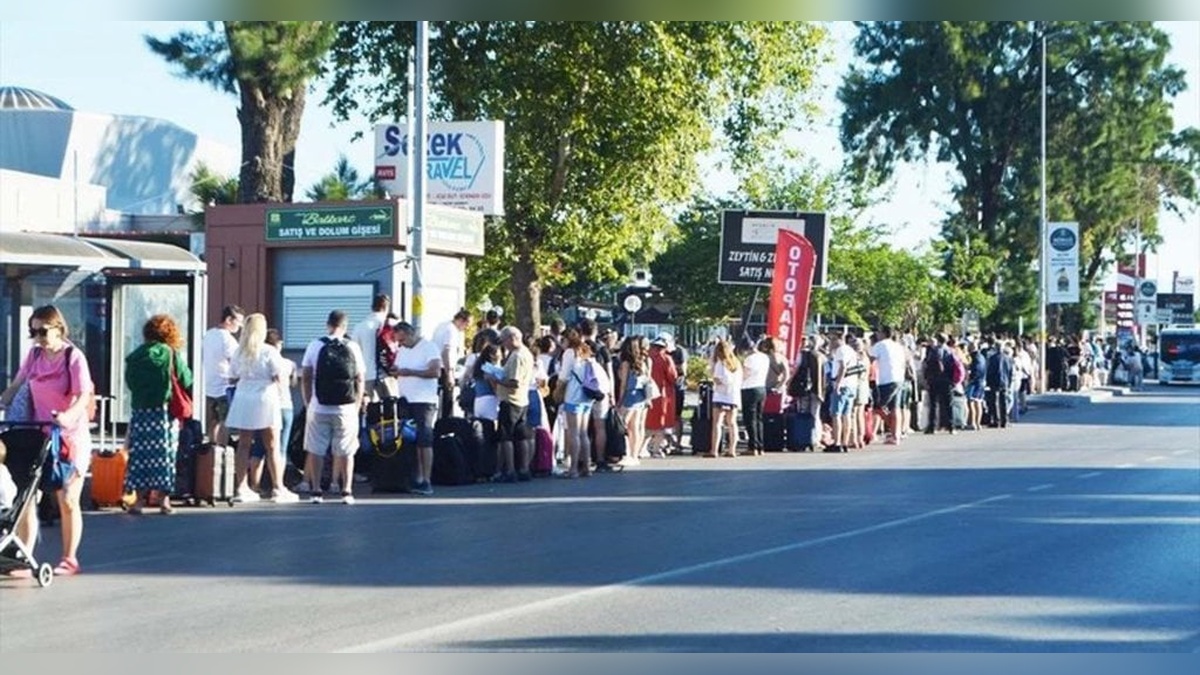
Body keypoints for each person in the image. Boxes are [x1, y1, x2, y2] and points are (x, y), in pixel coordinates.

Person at [0, 305, 94, 576]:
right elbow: (17, 384)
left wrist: (67, 416)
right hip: (39, 433)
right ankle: (24, 556)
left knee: (67, 497)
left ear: (58, 329)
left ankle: (69, 558)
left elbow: (82, 395)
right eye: (33, 332)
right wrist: (3, 400)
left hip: (69, 436)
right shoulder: (34, 355)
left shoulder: (73, 357)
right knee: (27, 496)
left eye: (43, 331)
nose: (38, 337)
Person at [124, 314, 194, 515]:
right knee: (165, 455)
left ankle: (138, 501)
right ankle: (164, 501)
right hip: (164, 412)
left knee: (140, 455)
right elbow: (186, 378)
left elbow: (130, 382)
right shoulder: (169, 353)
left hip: (140, 411)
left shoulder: (135, 356)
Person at [225, 314, 298, 504]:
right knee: (272, 445)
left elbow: (232, 377)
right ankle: (278, 487)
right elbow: (279, 375)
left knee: (244, 444)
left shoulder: (239, 352)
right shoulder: (269, 351)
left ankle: (242, 487)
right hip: (265, 396)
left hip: (243, 396)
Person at [301, 311, 366, 504]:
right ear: (345, 326)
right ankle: (346, 490)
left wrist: (308, 401)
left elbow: (306, 376)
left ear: (328, 324)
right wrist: (357, 403)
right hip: (346, 407)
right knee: (346, 449)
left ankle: (316, 490)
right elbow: (359, 378)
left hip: (319, 406)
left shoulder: (315, 345)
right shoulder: (352, 346)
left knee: (316, 449)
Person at [389, 321, 442, 495]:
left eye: (402, 340)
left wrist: (410, 372)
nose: (401, 344)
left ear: (410, 334)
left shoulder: (429, 347)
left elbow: (435, 372)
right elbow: (399, 367)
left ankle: (427, 479)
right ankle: (415, 476)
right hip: (406, 399)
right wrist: (395, 370)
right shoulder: (403, 350)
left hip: (424, 400)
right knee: (410, 440)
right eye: (398, 341)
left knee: (424, 439)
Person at [250, 329, 297, 493]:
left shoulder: (257, 361)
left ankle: (254, 485)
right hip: (284, 406)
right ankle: (278, 485)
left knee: (258, 448)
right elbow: (293, 383)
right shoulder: (289, 364)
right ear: (279, 344)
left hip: (263, 406)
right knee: (280, 448)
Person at [488, 326, 534, 482]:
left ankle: (510, 470)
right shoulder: (527, 353)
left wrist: (496, 379)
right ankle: (524, 468)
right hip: (523, 400)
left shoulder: (516, 356)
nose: (503, 344)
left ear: (512, 338)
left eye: (504, 340)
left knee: (506, 437)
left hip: (511, 400)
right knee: (521, 436)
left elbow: (514, 382)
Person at [201, 305, 244, 448]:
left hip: (208, 385)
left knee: (213, 420)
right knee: (225, 421)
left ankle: (211, 449)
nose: (240, 326)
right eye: (238, 321)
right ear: (229, 320)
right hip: (225, 386)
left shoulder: (208, 335)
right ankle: (222, 450)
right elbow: (236, 362)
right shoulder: (228, 339)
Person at [350, 294, 396, 401]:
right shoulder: (392, 325)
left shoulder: (359, 327)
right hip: (387, 375)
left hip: (367, 376)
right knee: (391, 408)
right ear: (386, 307)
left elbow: (353, 353)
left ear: (372, 307)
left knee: (369, 408)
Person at [615, 336, 651, 466]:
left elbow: (623, 384)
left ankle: (627, 453)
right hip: (640, 395)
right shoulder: (643, 362)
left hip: (629, 395)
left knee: (623, 424)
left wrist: (620, 400)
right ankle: (634, 455)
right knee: (635, 426)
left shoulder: (626, 363)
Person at [431, 308, 472, 419]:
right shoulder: (452, 331)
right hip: (444, 368)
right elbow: (446, 352)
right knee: (447, 400)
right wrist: (449, 373)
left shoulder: (442, 326)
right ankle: (446, 424)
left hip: (436, 366)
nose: (466, 328)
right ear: (461, 320)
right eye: (467, 324)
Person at [871, 326, 908, 444]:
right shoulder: (898, 346)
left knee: (878, 407)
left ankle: (892, 430)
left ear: (883, 333)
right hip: (899, 378)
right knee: (895, 408)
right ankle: (896, 435)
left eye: (879, 332)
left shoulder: (880, 345)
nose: (877, 334)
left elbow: (871, 360)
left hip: (886, 379)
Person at [644, 335, 679, 458]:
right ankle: (656, 449)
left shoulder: (647, 358)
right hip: (663, 394)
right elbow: (672, 376)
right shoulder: (666, 358)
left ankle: (642, 447)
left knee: (647, 422)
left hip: (648, 393)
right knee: (661, 423)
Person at [708, 338, 743, 457]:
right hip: (733, 396)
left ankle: (714, 450)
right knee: (732, 423)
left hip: (720, 395)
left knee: (717, 423)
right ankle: (732, 449)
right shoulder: (736, 363)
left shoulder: (720, 363)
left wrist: (714, 378)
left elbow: (719, 380)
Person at [828, 332, 860, 452]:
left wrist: (838, 383)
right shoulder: (850, 350)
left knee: (836, 414)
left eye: (833, 340)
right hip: (851, 384)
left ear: (839, 339)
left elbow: (843, 367)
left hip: (843, 385)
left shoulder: (841, 350)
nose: (831, 342)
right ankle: (845, 442)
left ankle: (837, 442)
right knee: (846, 414)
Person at [739, 336, 769, 456]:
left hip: (749, 389)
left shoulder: (749, 359)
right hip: (761, 387)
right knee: (759, 418)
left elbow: (744, 375)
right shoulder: (764, 357)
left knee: (750, 419)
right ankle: (760, 446)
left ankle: (753, 446)